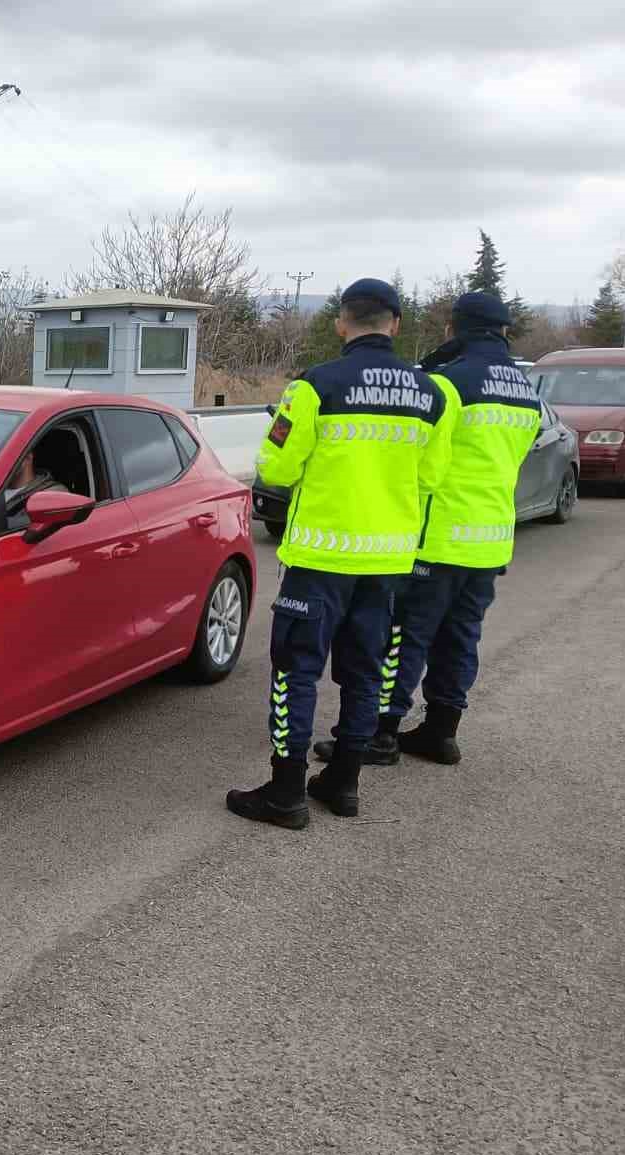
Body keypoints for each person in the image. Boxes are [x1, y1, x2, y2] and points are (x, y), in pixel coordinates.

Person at [226, 278, 453, 829]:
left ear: (341, 322)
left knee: (296, 674)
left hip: (319, 560)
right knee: (365, 673)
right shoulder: (434, 396)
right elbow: (433, 477)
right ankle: (344, 782)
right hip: (388, 562)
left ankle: (286, 793)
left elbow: (276, 469)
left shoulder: (314, 387)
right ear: (395, 324)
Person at [314, 292, 538, 768]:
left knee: (404, 636)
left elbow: (421, 456)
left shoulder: (449, 383)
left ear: (456, 329)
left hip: (438, 535)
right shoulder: (525, 389)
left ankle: (381, 732)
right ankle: (441, 731)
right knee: (461, 635)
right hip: (491, 537)